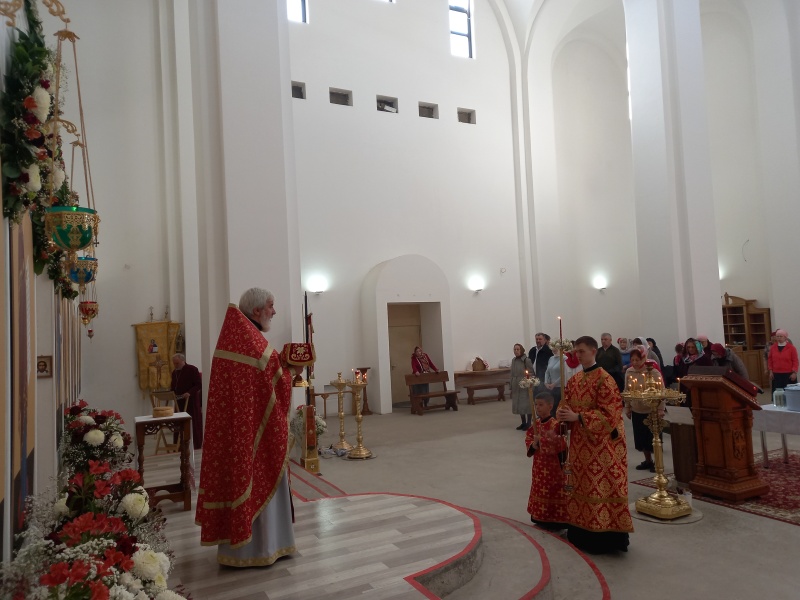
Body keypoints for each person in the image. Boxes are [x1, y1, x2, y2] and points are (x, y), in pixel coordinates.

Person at [196, 287, 300, 567]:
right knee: (259, 475)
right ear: (256, 311)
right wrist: (291, 372)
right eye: (271, 306)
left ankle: (245, 548)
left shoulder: (235, 337)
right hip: (256, 435)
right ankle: (264, 548)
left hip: (237, 431)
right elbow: (274, 381)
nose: (274, 312)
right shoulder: (253, 344)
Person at [556, 336, 633, 554]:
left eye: (581, 351)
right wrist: (562, 416)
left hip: (600, 448)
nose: (578, 355)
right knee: (581, 487)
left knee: (600, 489)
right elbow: (565, 405)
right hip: (579, 446)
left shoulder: (604, 379)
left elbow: (610, 415)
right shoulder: (574, 380)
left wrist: (578, 417)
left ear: (594, 351)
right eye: (576, 352)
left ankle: (604, 539)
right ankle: (580, 531)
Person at [525, 393, 568, 531]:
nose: (537, 407)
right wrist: (533, 444)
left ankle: (555, 520)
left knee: (553, 490)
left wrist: (542, 441)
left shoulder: (555, 425)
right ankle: (539, 516)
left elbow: (560, 444)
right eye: (536, 405)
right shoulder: (535, 424)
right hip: (539, 466)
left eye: (541, 405)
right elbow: (529, 438)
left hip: (553, 467)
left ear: (550, 406)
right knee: (540, 489)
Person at [623, 346, 665, 473]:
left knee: (653, 439)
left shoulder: (653, 371)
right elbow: (627, 390)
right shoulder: (629, 371)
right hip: (637, 409)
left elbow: (661, 390)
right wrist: (628, 407)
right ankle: (648, 460)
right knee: (640, 438)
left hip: (651, 410)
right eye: (632, 360)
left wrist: (661, 409)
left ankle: (658, 462)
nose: (635, 363)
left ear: (644, 358)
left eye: (638, 360)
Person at [170, 353, 204, 449]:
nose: (175, 365)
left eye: (177, 363)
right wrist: (171, 393)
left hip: (190, 401)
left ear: (183, 361)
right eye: (174, 363)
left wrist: (189, 392)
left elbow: (198, 385)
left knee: (192, 423)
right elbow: (173, 387)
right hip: (178, 402)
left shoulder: (192, 369)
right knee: (178, 423)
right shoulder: (174, 372)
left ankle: (196, 445)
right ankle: (179, 446)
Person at [544, 349, 582, 415]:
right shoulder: (551, 358)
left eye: (555, 347)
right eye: (552, 347)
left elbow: (564, 373)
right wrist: (546, 382)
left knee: (557, 406)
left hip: (559, 386)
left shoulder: (564, 358)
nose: (554, 349)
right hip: (550, 387)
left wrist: (554, 384)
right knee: (551, 406)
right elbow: (547, 372)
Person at [675, 338, 711, 407]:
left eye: (693, 347)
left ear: (697, 347)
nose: (690, 349)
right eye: (688, 347)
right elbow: (681, 373)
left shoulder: (704, 359)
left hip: (699, 388)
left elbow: (709, 373)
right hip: (686, 387)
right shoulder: (685, 359)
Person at [510, 343, 535, 430]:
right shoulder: (513, 360)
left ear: (521, 350)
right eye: (515, 349)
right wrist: (511, 385)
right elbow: (512, 373)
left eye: (518, 349)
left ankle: (529, 423)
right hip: (516, 385)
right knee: (519, 405)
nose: (516, 351)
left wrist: (529, 382)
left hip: (525, 385)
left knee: (527, 404)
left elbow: (531, 372)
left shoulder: (526, 360)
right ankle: (523, 422)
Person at [768, 329, 798, 395]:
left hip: (788, 374)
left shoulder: (791, 348)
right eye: (777, 336)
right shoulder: (773, 347)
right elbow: (770, 360)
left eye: (781, 336)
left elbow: (795, 361)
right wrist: (770, 371)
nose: (779, 338)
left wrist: (794, 372)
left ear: (785, 337)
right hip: (776, 374)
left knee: (789, 394)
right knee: (778, 393)